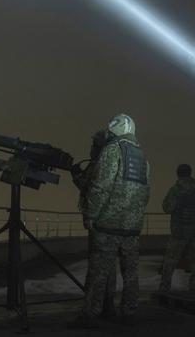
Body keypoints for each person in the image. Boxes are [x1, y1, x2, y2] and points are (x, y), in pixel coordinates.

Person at [70, 114, 150, 328]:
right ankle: (129, 314)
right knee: (131, 274)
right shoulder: (142, 157)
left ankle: (91, 316)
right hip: (132, 228)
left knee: (99, 272)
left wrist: (91, 215)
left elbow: (100, 187)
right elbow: (145, 194)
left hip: (108, 226)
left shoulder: (112, 151)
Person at [70, 129, 117, 318]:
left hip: (99, 223)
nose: (90, 149)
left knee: (96, 266)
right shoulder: (114, 163)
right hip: (112, 222)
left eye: (93, 145)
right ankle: (108, 305)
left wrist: (75, 174)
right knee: (110, 265)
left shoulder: (99, 165)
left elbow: (89, 188)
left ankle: (91, 311)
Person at [159, 164, 195, 292]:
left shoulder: (177, 189)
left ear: (178, 174)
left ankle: (164, 289)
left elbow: (166, 208)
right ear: (190, 173)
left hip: (179, 233)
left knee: (170, 262)